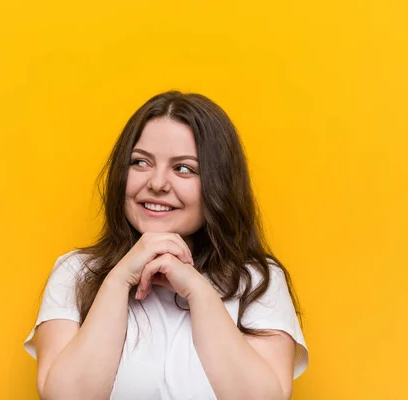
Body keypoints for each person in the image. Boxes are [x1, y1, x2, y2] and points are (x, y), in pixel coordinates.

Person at [23, 91, 309, 400]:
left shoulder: (257, 281)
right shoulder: (76, 271)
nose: (157, 183)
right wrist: (118, 280)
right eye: (141, 162)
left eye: (183, 168)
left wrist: (198, 291)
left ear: (219, 182)